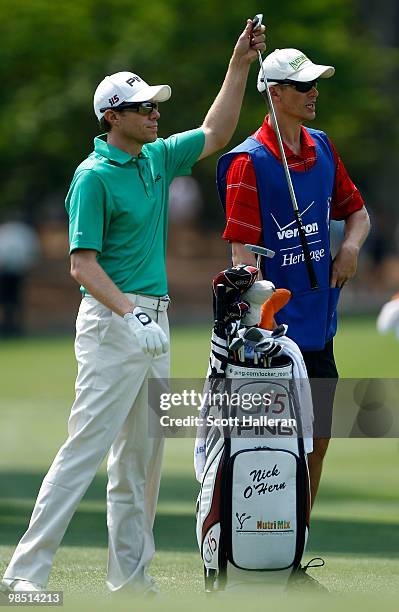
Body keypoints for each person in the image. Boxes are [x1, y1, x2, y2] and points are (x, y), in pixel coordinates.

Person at [1, 20, 266, 595]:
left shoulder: (156, 159)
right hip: (112, 324)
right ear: (112, 116)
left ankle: (131, 579)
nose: (154, 114)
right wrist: (130, 313)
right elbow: (82, 265)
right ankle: (24, 574)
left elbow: (216, 130)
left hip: (154, 323)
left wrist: (238, 65)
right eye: (143, 107)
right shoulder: (92, 177)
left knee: (140, 464)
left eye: (154, 106)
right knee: (84, 452)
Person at [217, 48, 370, 515]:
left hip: (320, 327)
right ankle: (258, 546)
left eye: (315, 84)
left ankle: (295, 549)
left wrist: (350, 247)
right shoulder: (249, 161)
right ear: (275, 93)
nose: (314, 93)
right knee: (273, 449)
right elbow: (242, 253)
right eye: (304, 86)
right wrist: (257, 321)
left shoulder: (322, 145)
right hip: (275, 335)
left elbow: (357, 214)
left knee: (317, 443)